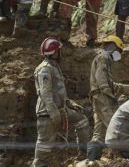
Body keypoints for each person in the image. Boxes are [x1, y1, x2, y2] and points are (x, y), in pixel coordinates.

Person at [32, 37, 90, 167]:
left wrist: (70, 104)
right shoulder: (44, 69)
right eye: (58, 50)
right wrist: (54, 114)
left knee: (82, 120)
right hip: (47, 114)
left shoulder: (54, 67)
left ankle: (83, 153)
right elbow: (46, 94)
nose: (60, 53)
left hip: (60, 110)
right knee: (43, 150)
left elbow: (58, 93)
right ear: (54, 52)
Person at [87, 35, 129, 161]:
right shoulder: (104, 57)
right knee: (114, 125)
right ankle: (124, 154)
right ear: (113, 47)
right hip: (103, 98)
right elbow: (101, 78)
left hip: (97, 98)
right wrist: (109, 95)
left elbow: (108, 82)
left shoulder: (102, 57)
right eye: (119, 51)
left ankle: (92, 159)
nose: (119, 54)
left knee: (99, 131)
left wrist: (125, 88)